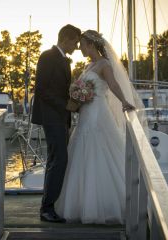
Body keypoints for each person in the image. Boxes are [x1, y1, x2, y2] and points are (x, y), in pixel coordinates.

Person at [56, 30, 142, 224]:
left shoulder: (104, 64)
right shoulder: (89, 65)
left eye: (83, 45)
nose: (80, 48)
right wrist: (77, 95)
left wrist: (124, 102)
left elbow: (112, 85)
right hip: (85, 114)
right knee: (82, 154)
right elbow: (85, 88)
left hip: (97, 114)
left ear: (91, 45)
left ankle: (104, 205)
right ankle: (82, 203)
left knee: (97, 152)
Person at [31, 24, 81, 223]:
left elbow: (57, 88)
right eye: (75, 42)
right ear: (66, 39)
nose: (76, 47)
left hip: (60, 117)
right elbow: (42, 90)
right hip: (52, 117)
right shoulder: (48, 56)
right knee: (59, 160)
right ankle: (47, 208)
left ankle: (48, 205)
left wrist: (74, 99)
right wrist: (66, 104)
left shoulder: (62, 59)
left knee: (55, 161)